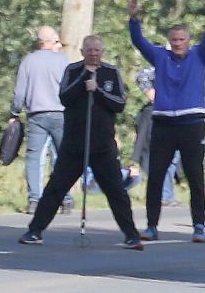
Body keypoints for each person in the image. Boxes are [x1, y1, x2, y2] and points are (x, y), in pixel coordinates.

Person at [18, 35, 144, 250]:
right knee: (56, 187)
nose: (93, 54)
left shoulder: (111, 72)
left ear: (102, 52)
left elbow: (119, 104)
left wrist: (98, 89)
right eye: (89, 50)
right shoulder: (73, 70)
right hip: (74, 143)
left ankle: (131, 235)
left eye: (97, 50)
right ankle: (35, 231)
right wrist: (84, 81)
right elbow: (64, 97)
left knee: (115, 191)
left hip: (102, 144)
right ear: (82, 51)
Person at [129, 0, 205, 243]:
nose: (178, 43)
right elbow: (139, 42)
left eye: (182, 39)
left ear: (188, 41)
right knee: (156, 176)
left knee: (194, 176)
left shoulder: (199, 56)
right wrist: (134, 18)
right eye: (175, 40)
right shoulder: (161, 56)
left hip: (192, 124)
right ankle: (151, 226)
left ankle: (199, 226)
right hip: (164, 124)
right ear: (170, 41)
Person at [10, 25, 72, 215]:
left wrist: (14, 112)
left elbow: (20, 91)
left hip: (36, 114)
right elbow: (70, 87)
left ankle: (34, 199)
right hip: (60, 113)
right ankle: (65, 198)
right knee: (62, 157)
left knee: (34, 157)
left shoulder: (28, 61)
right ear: (52, 42)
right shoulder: (63, 61)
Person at [131, 66, 180, 206]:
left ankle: (168, 195)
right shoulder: (159, 67)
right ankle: (163, 196)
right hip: (159, 117)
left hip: (176, 116)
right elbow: (141, 76)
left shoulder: (182, 69)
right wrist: (153, 94)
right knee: (164, 158)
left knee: (173, 160)